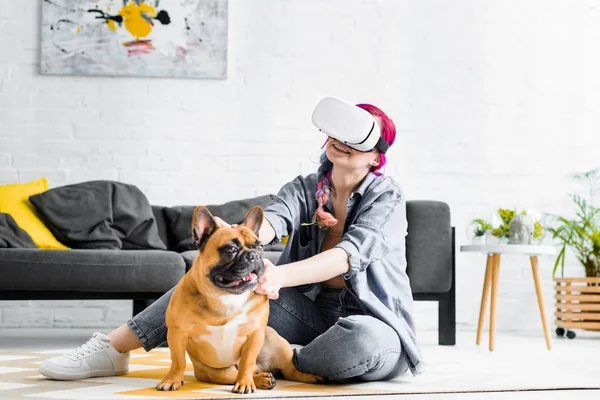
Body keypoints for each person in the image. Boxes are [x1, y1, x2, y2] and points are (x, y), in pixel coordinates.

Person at [39, 101, 422, 382]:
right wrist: (239, 236)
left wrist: (279, 276)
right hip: (310, 312)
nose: (342, 141)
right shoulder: (306, 188)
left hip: (373, 322)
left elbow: (347, 255)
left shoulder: (387, 197)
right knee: (199, 279)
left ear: (376, 157)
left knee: (360, 343)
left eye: (357, 137)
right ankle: (113, 348)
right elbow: (273, 220)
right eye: (339, 133)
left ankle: (281, 360)